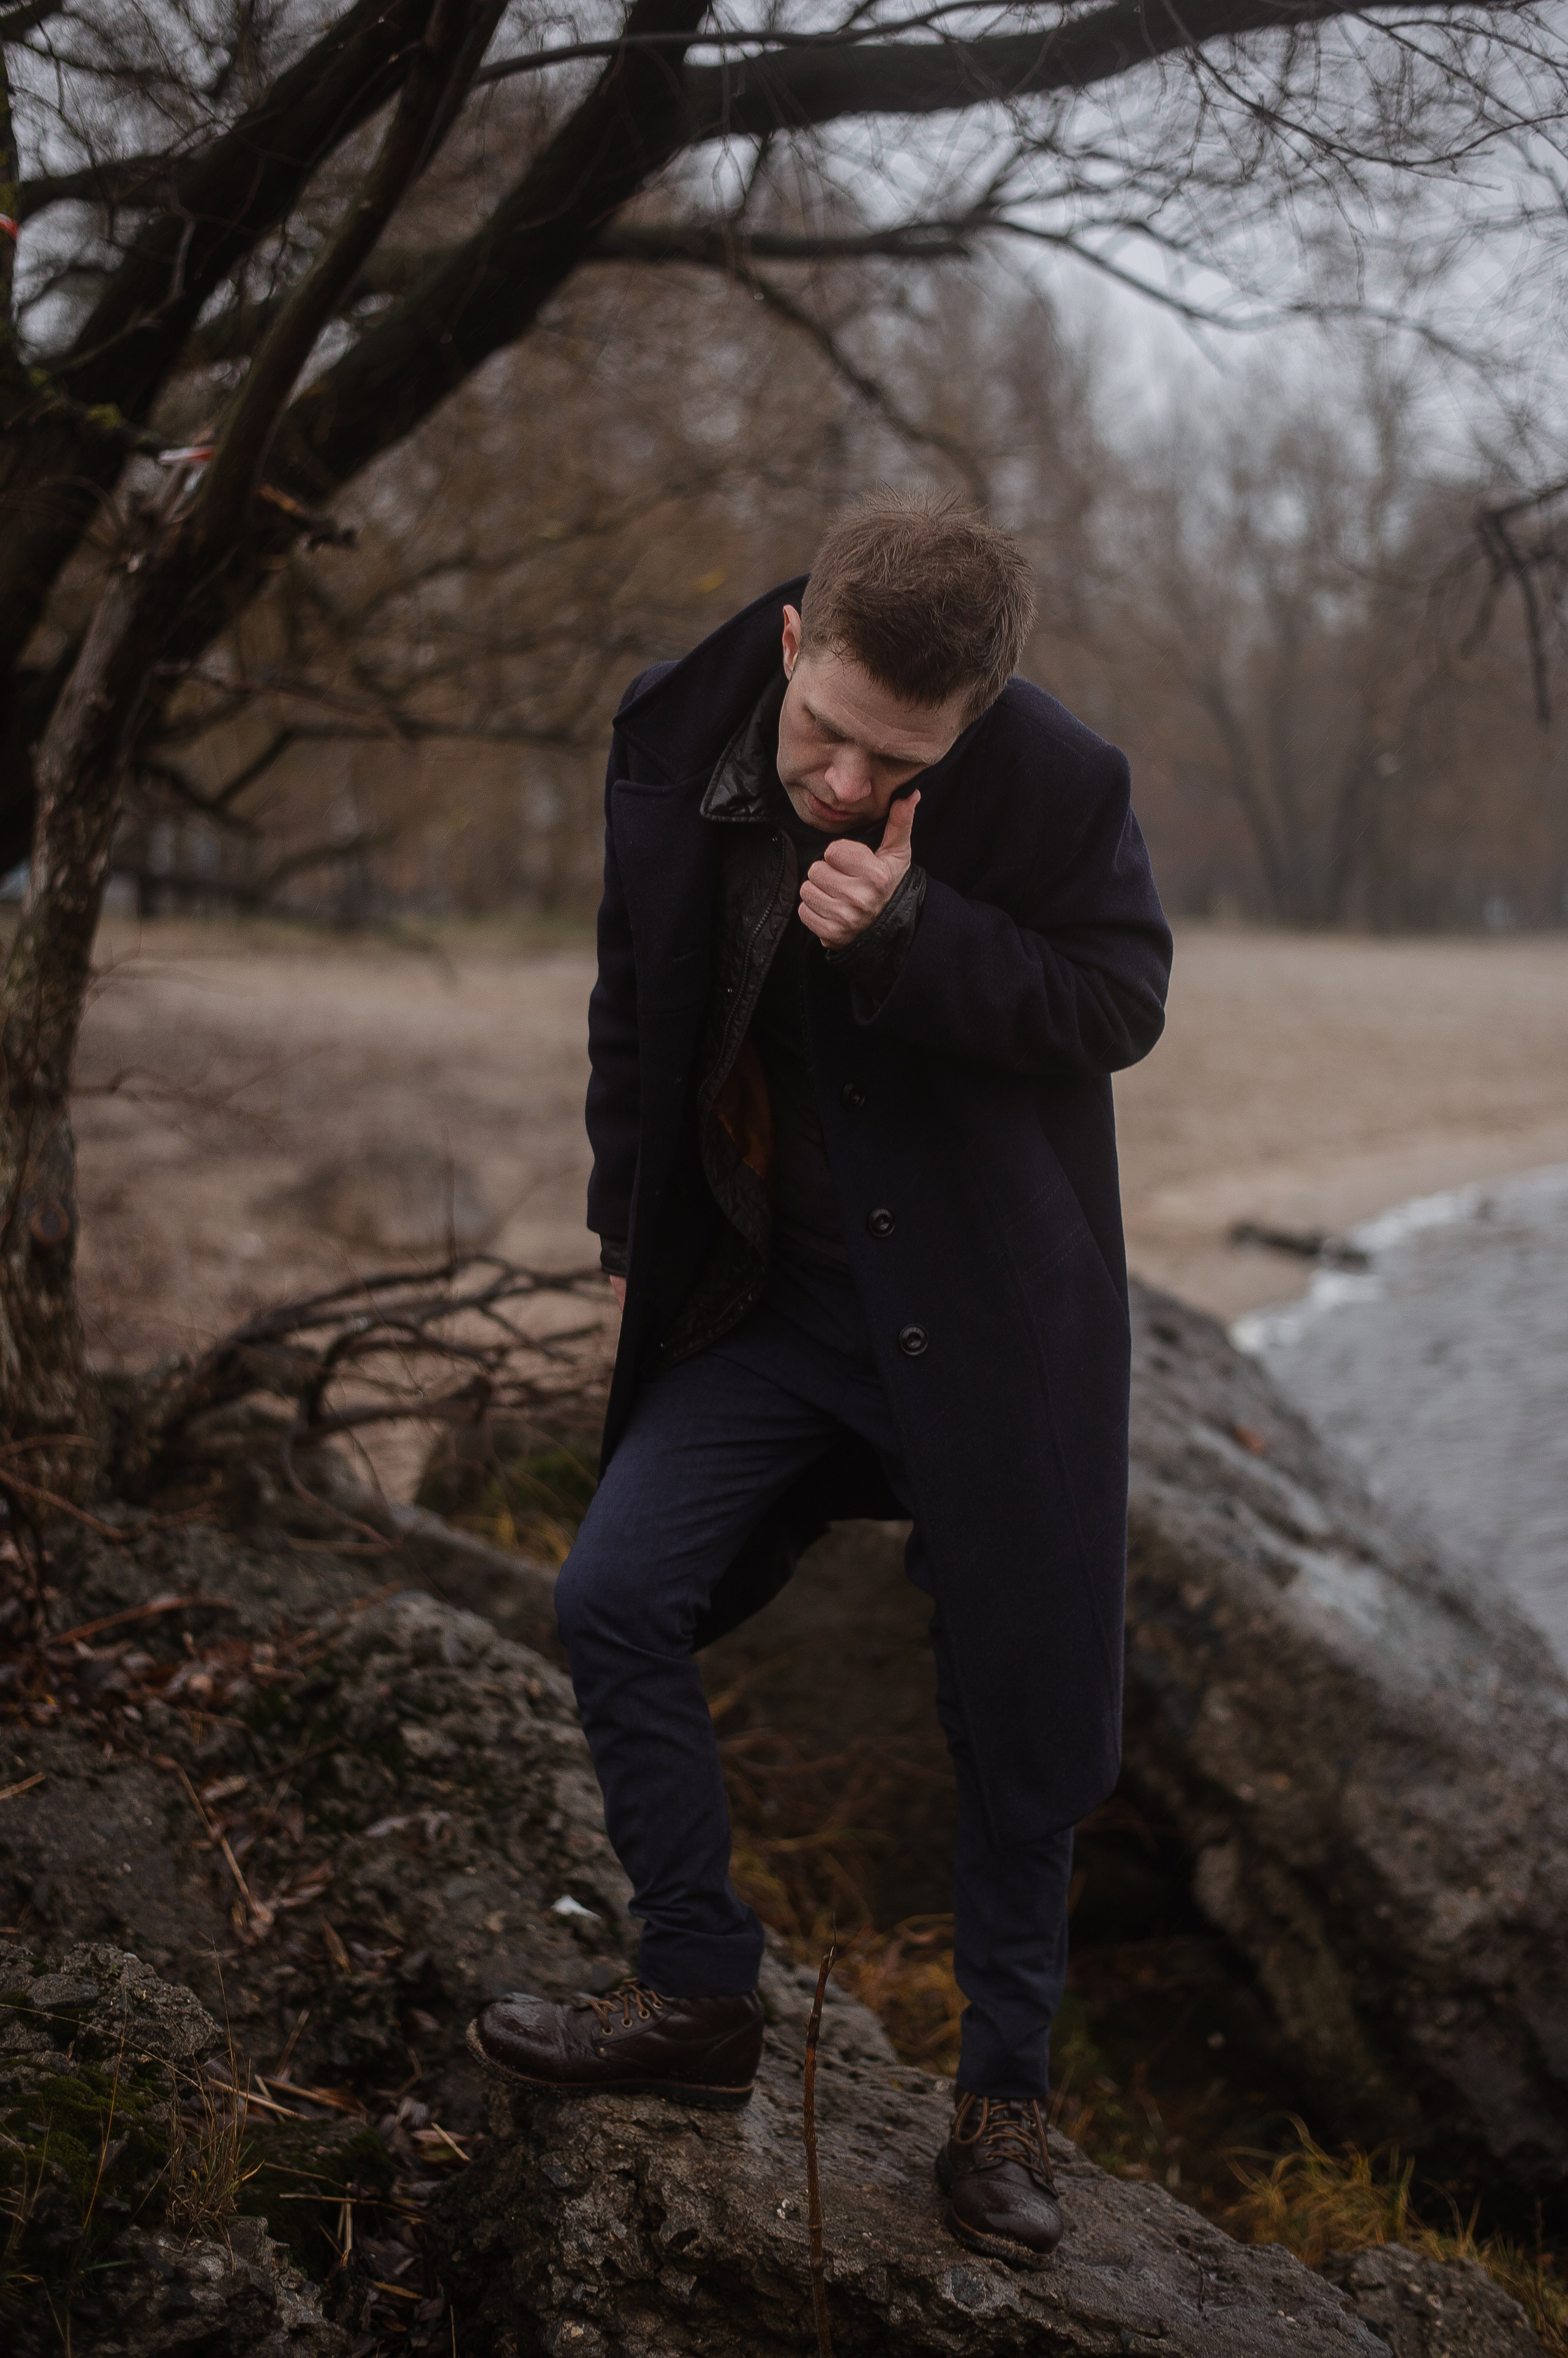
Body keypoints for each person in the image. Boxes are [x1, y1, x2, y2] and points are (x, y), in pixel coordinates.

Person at [468, 492, 1172, 2267]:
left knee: (1023, 1717)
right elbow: (636, 997)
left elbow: (1120, 1001)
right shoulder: (674, 722)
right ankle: (697, 1992)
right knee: (613, 1592)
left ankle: (1004, 2104)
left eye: (897, 759)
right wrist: (627, 1217)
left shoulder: (1059, 786)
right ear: (795, 639)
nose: (845, 781)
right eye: (827, 732)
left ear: (980, 718)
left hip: (1002, 1325)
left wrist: (919, 932)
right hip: (772, 1303)